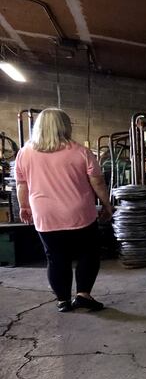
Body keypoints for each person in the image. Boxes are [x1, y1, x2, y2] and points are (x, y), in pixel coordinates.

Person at [15, 108, 113, 312]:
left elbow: (21, 184)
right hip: (79, 213)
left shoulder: (25, 153)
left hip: (45, 214)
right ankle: (83, 295)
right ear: (65, 126)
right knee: (88, 254)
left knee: (55, 257)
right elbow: (98, 182)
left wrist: (24, 205)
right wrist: (106, 204)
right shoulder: (80, 152)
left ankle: (63, 301)